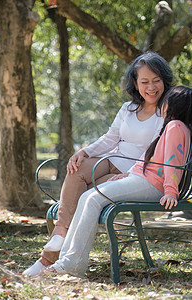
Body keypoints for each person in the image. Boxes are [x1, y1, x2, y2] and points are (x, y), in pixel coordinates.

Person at [23, 51, 173, 277]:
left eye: (156, 80)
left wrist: (131, 173)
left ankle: (49, 261)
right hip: (111, 161)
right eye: (144, 81)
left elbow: (158, 151)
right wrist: (83, 152)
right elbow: (110, 138)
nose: (151, 87)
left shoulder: (167, 111)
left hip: (136, 173)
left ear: (164, 80)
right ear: (135, 83)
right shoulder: (128, 109)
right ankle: (60, 234)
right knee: (76, 171)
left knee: (85, 197)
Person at [43, 86, 192, 277]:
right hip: (142, 179)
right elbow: (150, 160)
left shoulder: (175, 127)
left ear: (170, 106)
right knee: (88, 196)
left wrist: (170, 190)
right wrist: (129, 175)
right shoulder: (171, 127)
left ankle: (72, 264)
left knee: (93, 198)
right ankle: (67, 261)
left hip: (154, 185)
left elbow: (173, 161)